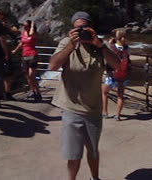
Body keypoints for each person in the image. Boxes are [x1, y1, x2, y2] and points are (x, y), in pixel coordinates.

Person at [50, 11, 120, 180]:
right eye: (77, 28)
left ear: (92, 27)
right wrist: (71, 46)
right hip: (71, 107)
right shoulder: (67, 43)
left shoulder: (100, 45)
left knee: (93, 150)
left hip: (93, 109)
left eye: (85, 27)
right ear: (72, 30)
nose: (82, 31)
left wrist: (101, 45)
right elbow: (53, 65)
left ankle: (95, 178)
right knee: (74, 154)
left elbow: (117, 65)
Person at [102, 30, 131, 121]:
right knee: (120, 95)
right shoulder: (127, 48)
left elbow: (106, 56)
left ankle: (105, 112)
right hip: (123, 74)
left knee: (104, 93)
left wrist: (110, 44)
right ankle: (117, 115)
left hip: (111, 74)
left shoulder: (111, 47)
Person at [12, 20, 41, 102]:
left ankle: (38, 92)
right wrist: (15, 50)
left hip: (33, 55)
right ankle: (34, 91)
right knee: (28, 76)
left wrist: (32, 25)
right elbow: (22, 42)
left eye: (26, 26)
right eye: (24, 26)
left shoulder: (34, 33)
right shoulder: (24, 33)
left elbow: (31, 34)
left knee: (32, 74)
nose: (24, 27)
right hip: (25, 55)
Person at [0, 7, 20, 101]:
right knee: (7, 73)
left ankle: (0, 93)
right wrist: (6, 53)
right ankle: (5, 93)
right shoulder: (0, 24)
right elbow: (2, 39)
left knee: (0, 74)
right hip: (2, 51)